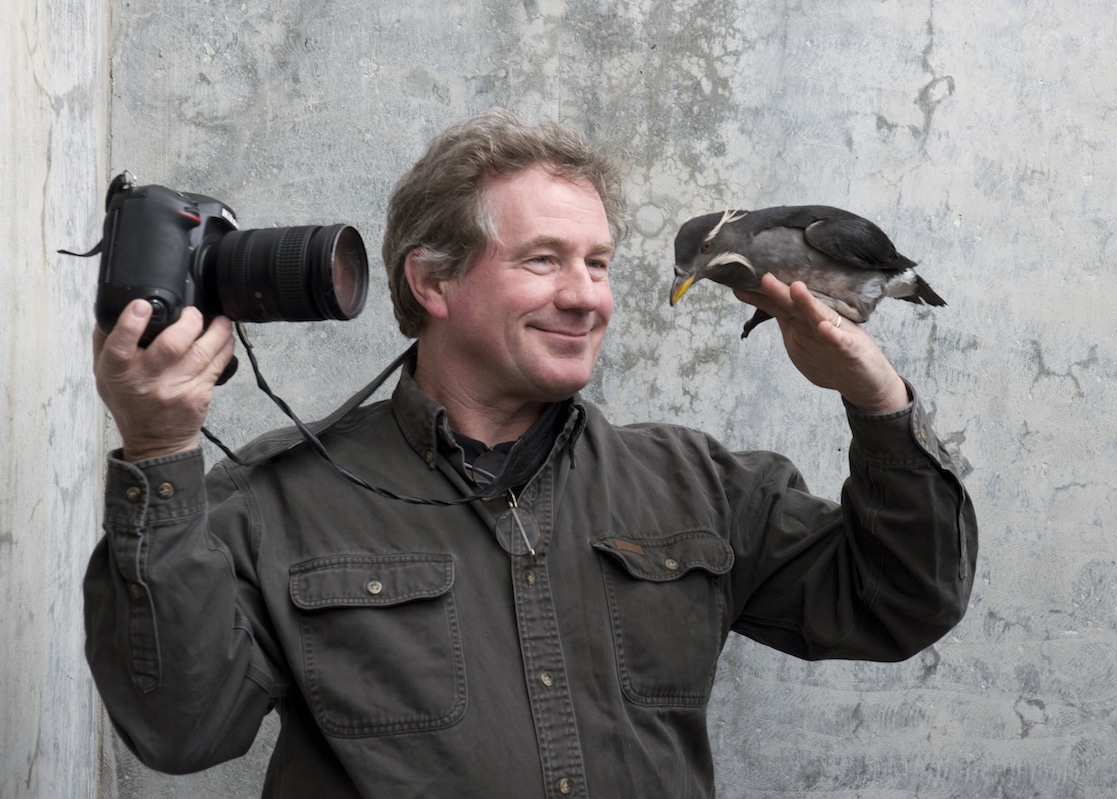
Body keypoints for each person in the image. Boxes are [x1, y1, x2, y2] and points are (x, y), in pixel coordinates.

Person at [85, 109, 978, 798]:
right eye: (546, 259)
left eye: (598, 263)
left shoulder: (697, 488)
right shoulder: (276, 500)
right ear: (432, 279)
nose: (586, 297)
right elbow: (180, 727)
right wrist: (160, 449)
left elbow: (900, 601)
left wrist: (878, 401)